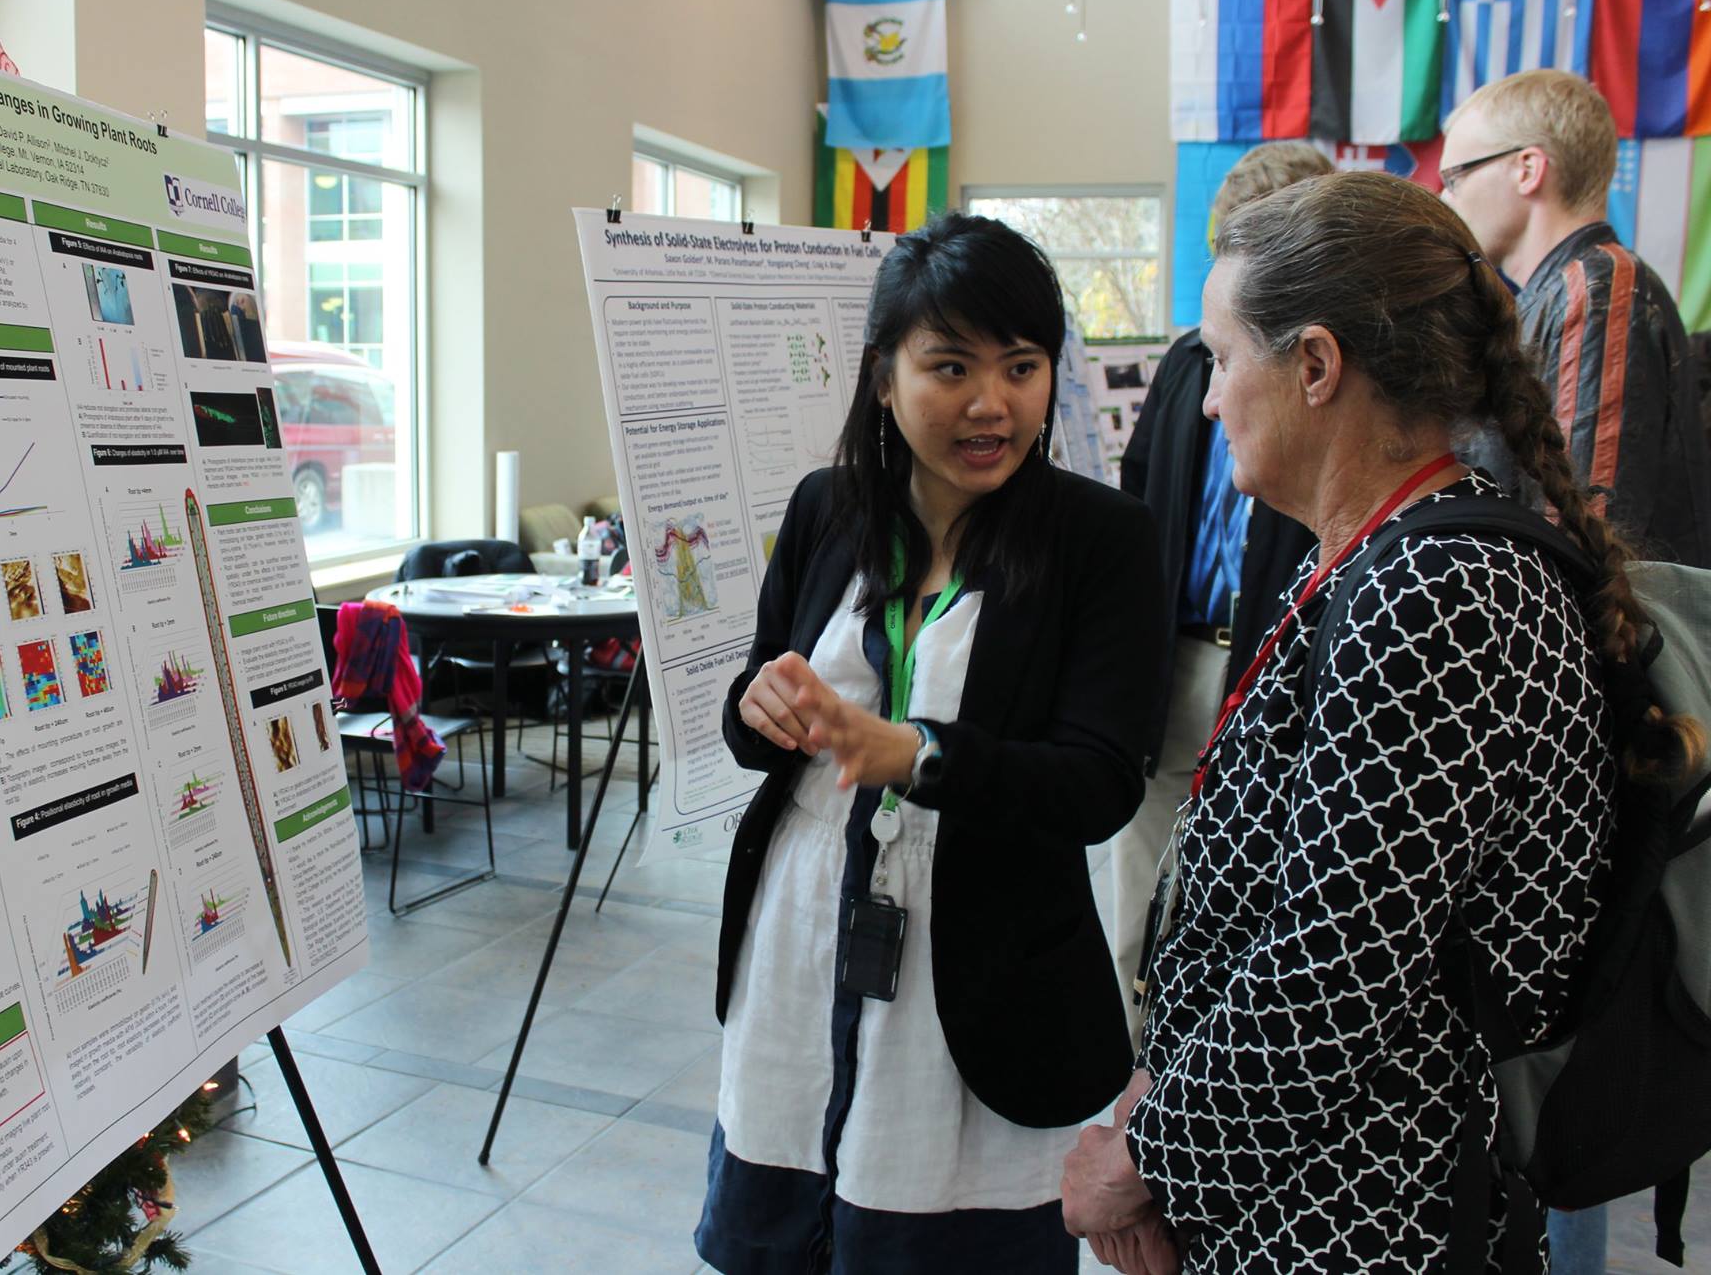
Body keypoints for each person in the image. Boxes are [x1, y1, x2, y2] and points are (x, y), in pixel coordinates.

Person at [1058, 171, 1700, 1272]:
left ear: (1314, 365)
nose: (1203, 400)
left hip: (1372, 1216)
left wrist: (1146, 1158)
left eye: (1219, 358)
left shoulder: (1440, 593)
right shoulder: (1378, 556)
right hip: (1292, 1183)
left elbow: (1332, 970)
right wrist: (1156, 1091)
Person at [696, 212, 1166, 1273]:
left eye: (1020, 365)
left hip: (980, 973)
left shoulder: (1100, 540)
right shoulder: (827, 511)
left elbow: (1099, 781)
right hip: (804, 933)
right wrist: (757, 707)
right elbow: (757, 706)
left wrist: (918, 754)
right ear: (881, 376)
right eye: (947, 365)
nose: (989, 403)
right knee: (785, 1228)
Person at [1115, 142, 1326, 1044]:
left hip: (1272, 668)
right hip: (1171, 661)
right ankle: (1131, 1060)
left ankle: (1206, 1066)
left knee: (1245, 882)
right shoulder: (1181, 366)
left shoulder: (1326, 380)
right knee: (1134, 876)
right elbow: (1135, 497)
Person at [1441, 67, 1711, 569]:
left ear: (1527, 169)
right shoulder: (1566, 291)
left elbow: (1583, 529)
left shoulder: (1596, 289)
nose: (1445, 198)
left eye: (1455, 177)